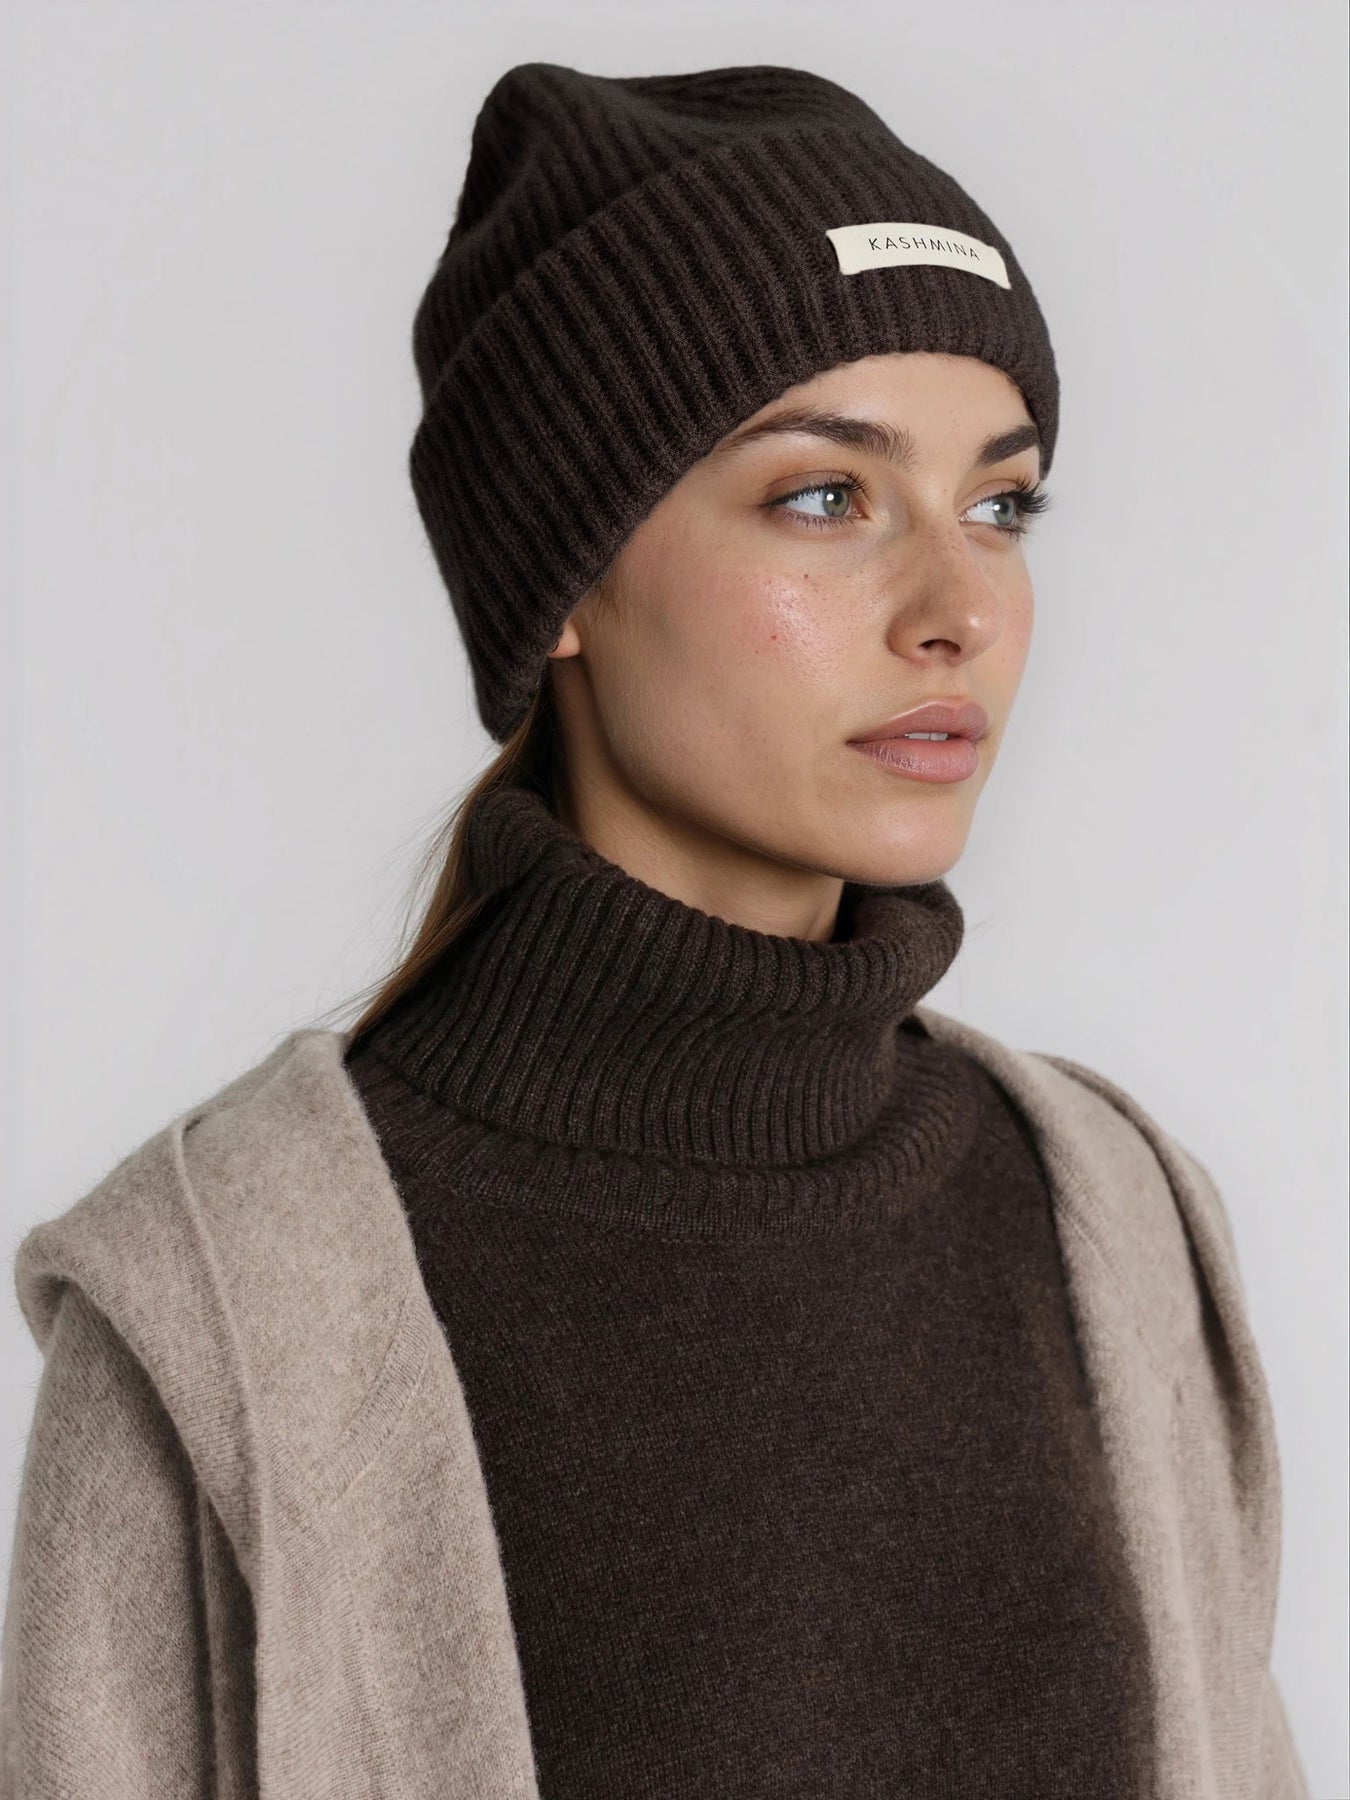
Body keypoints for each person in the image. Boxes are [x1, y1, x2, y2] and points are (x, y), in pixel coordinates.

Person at [0, 61, 1309, 1800]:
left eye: (1000, 506)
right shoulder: (230, 1296)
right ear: (564, 583)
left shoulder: (1114, 1212)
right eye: (825, 497)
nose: (958, 610)